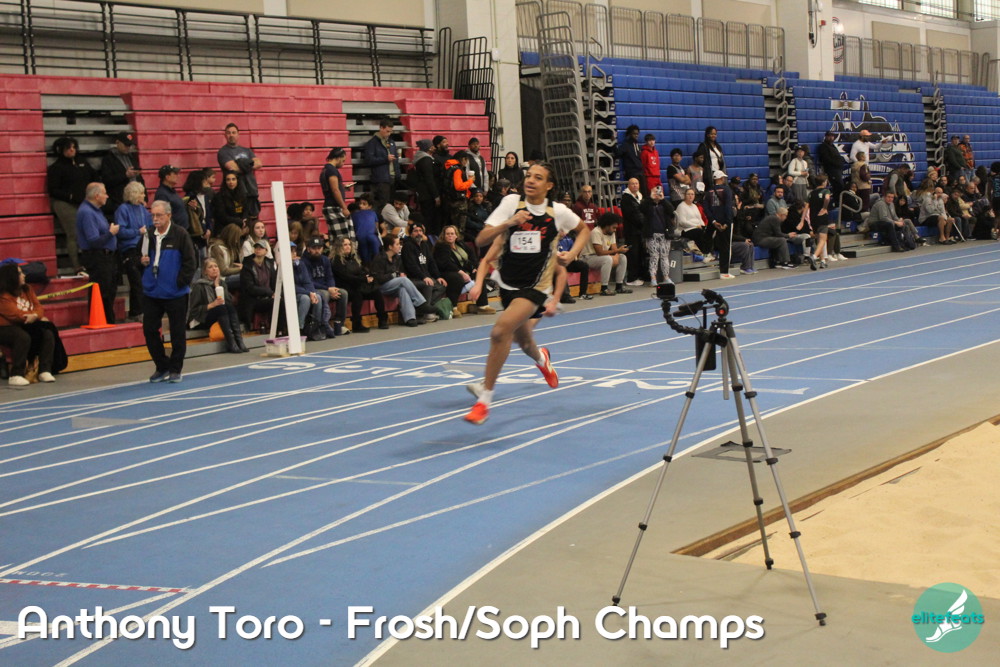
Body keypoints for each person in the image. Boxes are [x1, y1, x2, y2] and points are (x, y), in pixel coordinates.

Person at [463, 162, 590, 424]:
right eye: (528, 176)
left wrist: (572, 254)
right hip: (508, 285)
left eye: (538, 177)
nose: (530, 180)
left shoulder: (557, 212)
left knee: (500, 332)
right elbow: (481, 240)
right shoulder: (511, 203)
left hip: (536, 287)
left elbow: (584, 230)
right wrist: (509, 222)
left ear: (549, 185)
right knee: (524, 342)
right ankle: (542, 359)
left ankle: (484, 401)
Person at [141, 200, 197, 383]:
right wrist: (140, 263)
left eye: (159, 215)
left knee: (177, 332)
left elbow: (191, 262)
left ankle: (175, 368)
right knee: (149, 330)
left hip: (175, 293)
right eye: (153, 215)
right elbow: (136, 257)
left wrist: (180, 282)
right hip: (152, 292)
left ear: (169, 215)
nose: (155, 219)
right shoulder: (148, 235)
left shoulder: (180, 234)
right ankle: (162, 365)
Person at [0, 263, 63, 387]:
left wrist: (35, 316)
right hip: (5, 327)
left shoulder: (27, 289)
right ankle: (16, 374)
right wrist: (34, 316)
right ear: (12, 277)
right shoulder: (3, 295)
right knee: (22, 337)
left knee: (47, 333)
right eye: (20, 273)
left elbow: (38, 307)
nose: (24, 275)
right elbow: (15, 315)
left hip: (26, 323)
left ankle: (45, 370)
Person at [369, 235, 439, 327]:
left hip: (394, 285)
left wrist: (400, 274)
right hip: (380, 287)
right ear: (390, 247)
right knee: (403, 280)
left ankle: (410, 318)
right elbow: (378, 278)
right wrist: (394, 275)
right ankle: (420, 304)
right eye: (397, 244)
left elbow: (400, 271)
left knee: (403, 289)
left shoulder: (397, 258)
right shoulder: (379, 258)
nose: (400, 246)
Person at [47, 136, 94, 273]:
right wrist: (71, 196)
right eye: (68, 148)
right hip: (65, 203)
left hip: (84, 201)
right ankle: (77, 265)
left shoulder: (82, 162)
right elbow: (53, 190)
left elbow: (94, 177)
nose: (72, 150)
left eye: (74, 147)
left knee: (88, 232)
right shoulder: (56, 168)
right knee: (73, 233)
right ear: (60, 150)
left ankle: (89, 262)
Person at [76, 182, 119, 324]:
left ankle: (108, 322)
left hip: (106, 257)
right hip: (97, 257)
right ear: (96, 195)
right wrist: (110, 233)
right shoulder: (87, 212)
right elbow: (93, 241)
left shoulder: (96, 211)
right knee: (102, 293)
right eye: (104, 193)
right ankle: (104, 323)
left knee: (109, 292)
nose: (107, 196)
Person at [188, 258, 247, 353]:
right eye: (210, 267)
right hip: (202, 318)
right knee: (220, 308)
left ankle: (239, 341)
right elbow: (193, 310)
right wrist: (212, 305)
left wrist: (217, 286)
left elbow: (227, 302)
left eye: (216, 266)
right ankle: (231, 343)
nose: (214, 269)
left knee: (229, 307)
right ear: (205, 271)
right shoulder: (199, 286)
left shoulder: (222, 283)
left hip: (221, 314)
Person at [434, 224, 494, 316]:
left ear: (456, 235)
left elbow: (472, 256)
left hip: (464, 271)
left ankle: (482, 306)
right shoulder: (441, 246)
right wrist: (461, 272)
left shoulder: (460, 244)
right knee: (456, 278)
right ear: (444, 236)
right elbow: (446, 263)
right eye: (447, 234)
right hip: (447, 272)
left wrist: (474, 268)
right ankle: (453, 307)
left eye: (452, 233)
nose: (450, 236)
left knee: (478, 275)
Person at [331, 236, 385, 332]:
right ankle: (356, 324)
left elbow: (361, 271)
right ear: (339, 247)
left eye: (349, 244)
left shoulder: (354, 258)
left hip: (357, 284)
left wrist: (368, 276)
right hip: (344, 286)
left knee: (376, 291)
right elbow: (346, 277)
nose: (348, 246)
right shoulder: (336, 260)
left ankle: (382, 319)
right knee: (357, 294)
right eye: (345, 245)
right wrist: (363, 279)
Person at [114, 181, 151, 321]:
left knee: (144, 281)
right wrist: (137, 232)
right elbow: (120, 231)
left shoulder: (142, 209)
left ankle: (141, 310)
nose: (144, 195)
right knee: (136, 281)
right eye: (141, 193)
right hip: (129, 249)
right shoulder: (123, 209)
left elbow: (150, 225)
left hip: (143, 248)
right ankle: (136, 312)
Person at [303, 236, 349, 337]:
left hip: (327, 287)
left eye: (319, 248)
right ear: (308, 249)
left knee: (343, 293)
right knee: (325, 294)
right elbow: (309, 281)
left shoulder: (325, 259)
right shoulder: (304, 262)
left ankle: (339, 324)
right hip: (314, 288)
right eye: (314, 248)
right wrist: (328, 289)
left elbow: (330, 276)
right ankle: (324, 324)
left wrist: (332, 288)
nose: (317, 250)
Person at [217, 123, 262, 218]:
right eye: (228, 133)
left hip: (251, 191)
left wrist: (240, 163)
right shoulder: (223, 152)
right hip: (235, 194)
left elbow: (258, 163)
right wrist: (249, 163)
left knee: (254, 221)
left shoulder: (247, 150)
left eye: (233, 132)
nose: (231, 135)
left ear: (238, 134)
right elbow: (233, 168)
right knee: (240, 221)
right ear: (225, 135)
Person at [401, 220, 447, 309]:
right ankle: (426, 308)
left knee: (441, 286)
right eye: (415, 231)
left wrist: (438, 276)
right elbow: (411, 266)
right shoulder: (407, 246)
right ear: (411, 234)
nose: (418, 233)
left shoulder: (425, 245)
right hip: (414, 278)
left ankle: (423, 307)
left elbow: (431, 262)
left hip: (425, 276)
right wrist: (424, 277)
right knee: (428, 285)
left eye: (420, 231)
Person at [100, 131, 144, 216]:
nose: (128, 147)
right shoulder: (108, 159)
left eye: (129, 145)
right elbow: (107, 180)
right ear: (117, 142)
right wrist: (125, 175)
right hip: (118, 201)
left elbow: (140, 179)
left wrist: (144, 197)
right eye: (126, 145)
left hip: (135, 200)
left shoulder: (132, 157)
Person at [239, 239, 278, 332]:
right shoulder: (247, 265)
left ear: (266, 251)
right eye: (256, 247)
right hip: (254, 299)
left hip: (269, 296)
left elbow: (275, 282)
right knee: (274, 302)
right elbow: (250, 288)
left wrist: (276, 293)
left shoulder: (269, 264)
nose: (258, 249)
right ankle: (273, 329)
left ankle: (281, 329)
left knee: (282, 300)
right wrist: (269, 292)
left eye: (261, 248)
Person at [641, 185, 675, 287]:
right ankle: (653, 278)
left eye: (658, 191)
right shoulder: (647, 204)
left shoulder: (664, 203)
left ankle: (666, 277)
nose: (657, 194)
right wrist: (650, 198)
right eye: (655, 191)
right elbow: (641, 209)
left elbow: (671, 210)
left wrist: (663, 199)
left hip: (664, 234)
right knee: (654, 257)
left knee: (664, 256)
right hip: (652, 234)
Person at [363, 118, 399, 213]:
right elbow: (369, 160)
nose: (389, 134)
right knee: (383, 205)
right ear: (381, 128)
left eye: (391, 131)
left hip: (392, 177)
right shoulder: (372, 143)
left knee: (391, 205)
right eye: (387, 131)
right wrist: (385, 159)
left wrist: (398, 174)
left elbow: (396, 160)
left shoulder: (391, 142)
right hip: (380, 178)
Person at [320, 147, 354, 241]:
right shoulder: (332, 170)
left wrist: (343, 188)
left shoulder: (325, 169)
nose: (343, 164)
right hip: (334, 207)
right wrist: (344, 207)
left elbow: (332, 189)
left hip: (329, 206)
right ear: (338, 158)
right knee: (342, 239)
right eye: (343, 161)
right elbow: (335, 190)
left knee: (336, 239)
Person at [410, 139, 441, 235]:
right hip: (428, 194)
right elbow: (429, 179)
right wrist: (436, 195)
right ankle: (429, 237)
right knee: (429, 217)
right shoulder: (426, 160)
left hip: (423, 193)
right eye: (432, 146)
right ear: (428, 148)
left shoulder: (420, 159)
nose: (434, 147)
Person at [619, 178, 646, 285]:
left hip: (640, 231)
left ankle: (641, 275)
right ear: (628, 186)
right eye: (632, 184)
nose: (635, 185)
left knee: (640, 254)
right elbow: (633, 215)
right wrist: (644, 223)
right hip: (631, 231)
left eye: (636, 183)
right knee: (633, 255)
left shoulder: (640, 196)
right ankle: (631, 278)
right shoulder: (626, 199)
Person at [442, 150, 475, 234]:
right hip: (458, 202)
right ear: (462, 159)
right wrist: (470, 181)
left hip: (449, 199)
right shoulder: (457, 170)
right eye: (466, 159)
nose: (466, 162)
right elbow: (459, 186)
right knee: (459, 228)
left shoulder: (449, 167)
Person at [207, 223, 244, 292]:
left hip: (226, 276)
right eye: (237, 238)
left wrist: (236, 266)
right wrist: (241, 269)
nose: (237, 241)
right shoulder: (217, 248)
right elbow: (223, 271)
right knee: (246, 278)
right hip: (220, 279)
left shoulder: (228, 247)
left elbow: (227, 263)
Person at [212, 170, 249, 234]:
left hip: (241, 225)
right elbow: (222, 217)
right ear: (225, 182)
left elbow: (246, 211)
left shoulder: (243, 195)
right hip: (225, 228)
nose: (231, 182)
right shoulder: (219, 196)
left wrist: (244, 220)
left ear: (237, 180)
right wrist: (239, 221)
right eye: (228, 180)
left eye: (233, 179)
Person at [349, 194, 381, 264]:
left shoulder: (353, 215)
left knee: (365, 257)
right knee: (376, 255)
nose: (361, 205)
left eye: (364, 204)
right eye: (360, 203)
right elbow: (376, 226)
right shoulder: (373, 213)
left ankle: (367, 266)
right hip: (370, 236)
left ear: (370, 206)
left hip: (361, 237)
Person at [154, 165, 189, 231]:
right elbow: (164, 215)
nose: (178, 176)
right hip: (174, 232)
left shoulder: (171, 192)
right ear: (167, 177)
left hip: (181, 230)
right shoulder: (162, 194)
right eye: (175, 174)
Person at [693, 126, 725, 194]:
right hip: (709, 174)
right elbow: (700, 160)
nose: (713, 136)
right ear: (707, 135)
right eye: (711, 134)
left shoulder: (718, 146)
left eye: (715, 134)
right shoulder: (703, 146)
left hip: (718, 173)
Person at [817, 131, 846, 203]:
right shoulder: (823, 146)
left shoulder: (833, 146)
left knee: (840, 187)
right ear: (826, 137)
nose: (831, 138)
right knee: (838, 186)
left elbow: (837, 156)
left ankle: (839, 202)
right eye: (829, 136)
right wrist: (837, 163)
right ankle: (837, 203)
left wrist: (840, 160)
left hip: (837, 170)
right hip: (832, 170)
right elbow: (826, 159)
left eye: (832, 136)